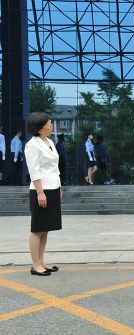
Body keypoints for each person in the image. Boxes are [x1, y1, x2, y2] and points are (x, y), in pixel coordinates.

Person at [24, 113, 62, 276]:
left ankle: (41, 261)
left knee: (45, 228)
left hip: (53, 188)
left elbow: (55, 168)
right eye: (49, 123)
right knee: (37, 228)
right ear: (39, 128)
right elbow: (34, 170)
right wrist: (40, 192)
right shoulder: (32, 145)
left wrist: (59, 188)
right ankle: (35, 265)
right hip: (41, 190)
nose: (52, 125)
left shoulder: (50, 142)